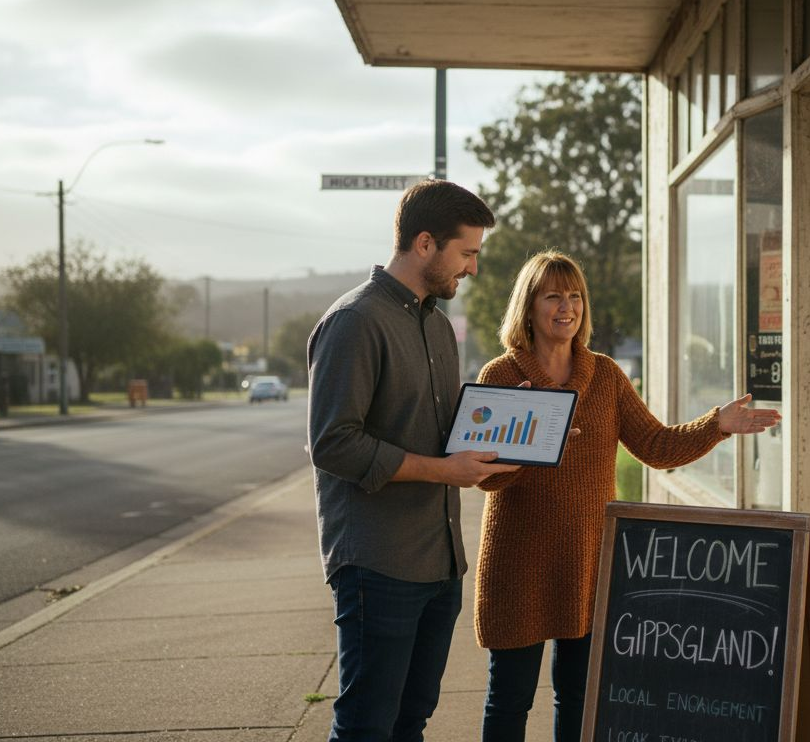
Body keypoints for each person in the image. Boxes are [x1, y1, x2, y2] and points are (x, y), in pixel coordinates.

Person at [471, 251, 781, 742]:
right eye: (553, 295)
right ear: (528, 308)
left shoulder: (606, 376)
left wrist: (716, 424)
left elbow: (656, 447)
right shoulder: (501, 377)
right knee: (509, 700)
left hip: (590, 562)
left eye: (575, 296)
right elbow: (484, 478)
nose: (566, 306)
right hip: (519, 564)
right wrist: (532, 441)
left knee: (579, 697)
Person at [307, 179, 520, 742]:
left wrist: (494, 455)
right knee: (366, 726)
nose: (472, 269)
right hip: (378, 563)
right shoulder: (354, 320)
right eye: (467, 253)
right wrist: (442, 471)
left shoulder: (436, 324)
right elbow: (332, 442)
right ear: (425, 243)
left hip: (440, 563)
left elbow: (438, 433)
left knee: (411, 719)